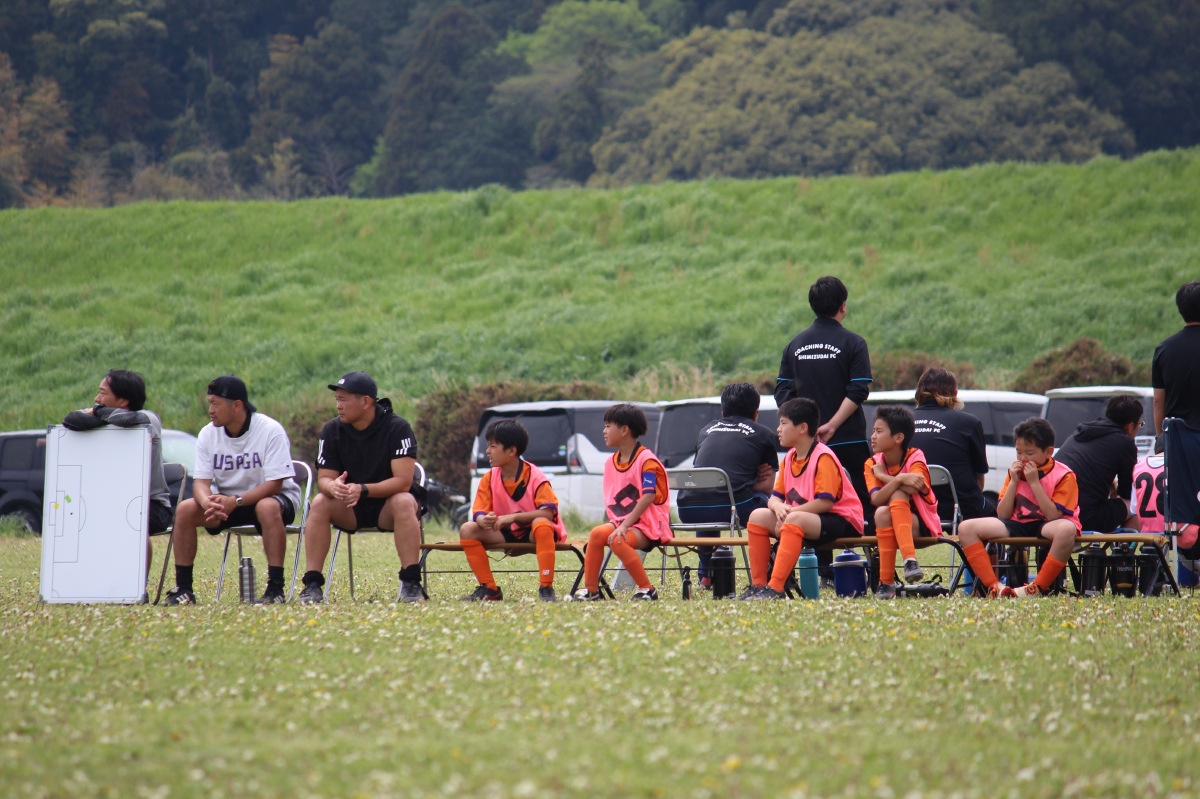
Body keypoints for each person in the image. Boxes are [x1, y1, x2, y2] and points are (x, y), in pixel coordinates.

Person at [165, 376, 302, 605]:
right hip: (228, 503)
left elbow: (274, 485)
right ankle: (184, 589)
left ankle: (275, 589)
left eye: (215, 404)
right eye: (209, 403)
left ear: (237, 405)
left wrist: (236, 501)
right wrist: (208, 503)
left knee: (266, 507)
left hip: (274, 499)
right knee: (186, 509)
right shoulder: (208, 433)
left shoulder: (270, 430)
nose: (210, 410)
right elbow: (201, 483)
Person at [774, 275, 873, 581]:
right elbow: (858, 390)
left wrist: (805, 428)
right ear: (843, 306)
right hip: (848, 439)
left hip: (808, 444)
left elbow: (782, 392)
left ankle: (823, 572)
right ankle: (874, 573)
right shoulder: (854, 342)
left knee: (811, 500)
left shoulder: (795, 344)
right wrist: (830, 425)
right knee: (862, 507)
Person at [299, 372, 425, 604]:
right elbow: (324, 479)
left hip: (387, 506)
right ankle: (312, 584)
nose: (338, 406)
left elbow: (403, 482)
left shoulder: (397, 427)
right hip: (349, 507)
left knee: (404, 500)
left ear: (366, 401)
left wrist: (363, 489)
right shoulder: (332, 430)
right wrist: (333, 487)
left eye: (343, 400)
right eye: (337, 399)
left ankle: (411, 583)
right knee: (320, 502)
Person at [740, 398, 864, 600]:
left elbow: (826, 503)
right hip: (803, 519)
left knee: (794, 519)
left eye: (783, 423)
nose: (778, 429)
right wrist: (778, 508)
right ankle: (758, 586)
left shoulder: (823, 456)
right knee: (757, 516)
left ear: (803, 428)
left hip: (841, 520)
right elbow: (774, 498)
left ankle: (775, 588)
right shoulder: (789, 457)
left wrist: (789, 514)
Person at [62, 369, 174, 581]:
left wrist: (98, 414)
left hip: (153, 506)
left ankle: (137, 585)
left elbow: (129, 419)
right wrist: (103, 413)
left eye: (103, 393)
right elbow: (71, 419)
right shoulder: (106, 414)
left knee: (129, 516)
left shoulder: (149, 419)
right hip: (111, 502)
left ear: (123, 400)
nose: (97, 399)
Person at [956, 418, 1081, 598]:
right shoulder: (1014, 472)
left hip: (1047, 524)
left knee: (1067, 529)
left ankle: (1037, 587)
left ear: (1048, 452)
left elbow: (1053, 515)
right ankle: (994, 587)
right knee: (966, 528)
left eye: (1029, 453)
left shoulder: (1064, 475)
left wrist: (1034, 483)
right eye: (1018, 452)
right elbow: (1003, 514)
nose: (1022, 459)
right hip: (1017, 522)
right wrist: (1014, 482)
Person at [676, 382, 777, 588]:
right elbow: (767, 486)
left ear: (722, 412)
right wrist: (746, 484)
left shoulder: (705, 430)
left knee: (707, 498)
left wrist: (730, 485)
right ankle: (769, 568)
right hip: (733, 509)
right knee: (768, 502)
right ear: (756, 413)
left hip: (688, 510)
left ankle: (705, 575)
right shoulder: (763, 434)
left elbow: (705, 478)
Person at [458, 418, 565, 602]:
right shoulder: (489, 478)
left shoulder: (536, 476)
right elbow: (479, 513)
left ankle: (546, 587)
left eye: (493, 446)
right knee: (467, 529)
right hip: (505, 532)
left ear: (512, 450)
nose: (487, 451)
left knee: (541, 524)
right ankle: (489, 589)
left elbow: (548, 513)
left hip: (534, 533)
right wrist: (484, 520)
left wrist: (512, 517)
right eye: (488, 446)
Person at [575, 403, 672, 601]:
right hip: (623, 523)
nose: (604, 431)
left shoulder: (647, 460)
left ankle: (647, 589)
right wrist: (620, 524)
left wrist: (624, 526)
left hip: (649, 525)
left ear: (624, 430)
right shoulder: (611, 461)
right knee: (596, 534)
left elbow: (648, 496)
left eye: (608, 426)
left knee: (617, 540)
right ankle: (592, 591)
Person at [865, 405, 941, 599]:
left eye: (879, 431)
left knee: (898, 494)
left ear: (898, 438)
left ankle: (908, 560)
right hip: (890, 523)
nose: (873, 436)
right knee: (882, 512)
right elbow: (876, 499)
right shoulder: (872, 463)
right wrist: (900, 480)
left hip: (920, 524)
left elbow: (914, 487)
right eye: (873, 431)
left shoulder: (915, 456)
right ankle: (887, 583)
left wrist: (887, 478)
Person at [910, 368, 993, 521]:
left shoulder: (902, 422)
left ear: (919, 393)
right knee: (996, 518)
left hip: (914, 507)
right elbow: (979, 478)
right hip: (959, 507)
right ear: (955, 393)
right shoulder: (969, 422)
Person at [1055, 395, 1142, 533]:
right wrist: (1116, 487)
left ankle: (1105, 546)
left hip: (1055, 512)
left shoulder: (1081, 433)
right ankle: (1126, 547)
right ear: (1130, 426)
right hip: (1084, 517)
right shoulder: (1125, 443)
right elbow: (1127, 492)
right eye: (1140, 424)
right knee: (1135, 504)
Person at [1153, 280, 1200, 442]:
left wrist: (1161, 439)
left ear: (1180, 309)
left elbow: (1158, 401)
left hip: (1178, 438)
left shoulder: (1164, 349)